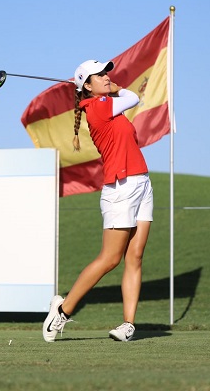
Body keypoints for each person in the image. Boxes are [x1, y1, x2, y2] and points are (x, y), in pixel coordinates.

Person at [43, 60, 154, 342]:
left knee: (136, 255)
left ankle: (128, 324)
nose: (106, 77)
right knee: (110, 258)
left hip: (141, 182)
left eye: (107, 73)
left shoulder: (107, 105)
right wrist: (117, 89)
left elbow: (128, 102)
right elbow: (134, 97)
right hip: (120, 187)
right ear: (87, 86)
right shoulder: (96, 106)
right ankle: (63, 311)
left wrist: (113, 90)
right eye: (99, 75)